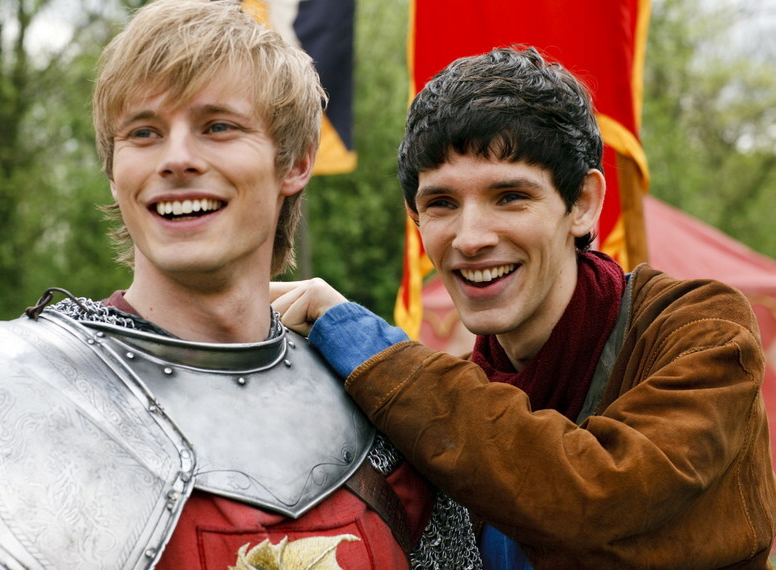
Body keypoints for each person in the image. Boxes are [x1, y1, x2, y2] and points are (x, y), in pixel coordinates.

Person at [0, 1, 481, 567]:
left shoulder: (384, 410)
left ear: (295, 163)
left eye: (218, 127)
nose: (177, 159)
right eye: (144, 133)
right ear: (113, 172)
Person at [271, 46, 776, 568]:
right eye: (441, 203)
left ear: (582, 204)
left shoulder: (704, 332)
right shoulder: (451, 401)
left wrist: (368, 346)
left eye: (510, 196)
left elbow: (599, 501)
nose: (470, 238)